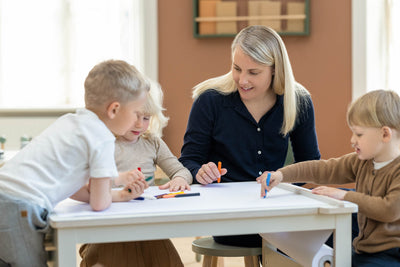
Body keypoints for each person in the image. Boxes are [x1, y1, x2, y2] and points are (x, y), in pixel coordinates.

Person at [179, 25, 320, 248]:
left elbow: (310, 163)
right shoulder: (210, 101)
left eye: (253, 72)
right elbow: (188, 161)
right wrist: (200, 173)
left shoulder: (298, 101)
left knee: (320, 240)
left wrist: (281, 177)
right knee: (293, 245)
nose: (242, 80)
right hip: (228, 216)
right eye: (237, 68)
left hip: (276, 208)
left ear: (275, 69)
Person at [0, 59, 150, 267]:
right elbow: (99, 203)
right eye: (135, 112)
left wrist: (119, 195)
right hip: (19, 207)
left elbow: (71, 188)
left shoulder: (69, 122)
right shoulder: (102, 138)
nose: (137, 120)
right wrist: (119, 196)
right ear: (114, 109)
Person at [260, 90, 400, 266]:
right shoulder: (362, 162)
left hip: (391, 255)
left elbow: (389, 209)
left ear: (385, 134)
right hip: (364, 250)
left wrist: (344, 196)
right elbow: (322, 169)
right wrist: (282, 174)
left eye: (359, 134)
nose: (352, 140)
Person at [79, 82, 192, 267]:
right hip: (110, 226)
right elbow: (88, 184)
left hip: (147, 225)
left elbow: (181, 170)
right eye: (135, 117)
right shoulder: (104, 143)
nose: (140, 124)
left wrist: (179, 179)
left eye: (146, 118)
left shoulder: (152, 142)